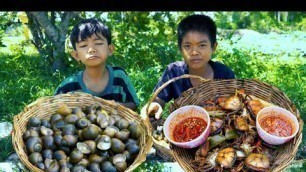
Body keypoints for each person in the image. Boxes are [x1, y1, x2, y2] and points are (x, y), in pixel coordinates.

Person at [142, 14, 235, 118]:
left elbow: (233, 108)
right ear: (180, 48)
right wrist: (155, 105)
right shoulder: (174, 72)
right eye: (187, 46)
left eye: (202, 45)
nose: (194, 52)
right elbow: (159, 100)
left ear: (213, 47)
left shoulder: (225, 74)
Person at [54, 18, 139, 111]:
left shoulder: (119, 77)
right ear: (76, 55)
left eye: (98, 43)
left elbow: (134, 104)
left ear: (110, 49)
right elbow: (52, 109)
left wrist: (114, 107)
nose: (91, 49)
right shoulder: (68, 86)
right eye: (83, 45)